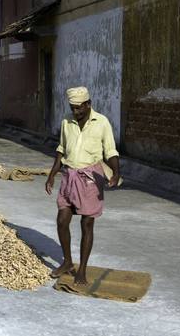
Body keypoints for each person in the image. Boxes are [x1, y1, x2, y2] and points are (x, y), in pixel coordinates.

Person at [45, 86, 121, 285]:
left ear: (88, 104)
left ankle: (82, 270)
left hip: (91, 177)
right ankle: (68, 262)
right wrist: (52, 174)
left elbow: (111, 151)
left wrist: (116, 173)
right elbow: (61, 150)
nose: (76, 111)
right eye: (73, 108)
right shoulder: (66, 122)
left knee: (87, 223)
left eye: (79, 107)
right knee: (62, 219)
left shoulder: (102, 122)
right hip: (69, 176)